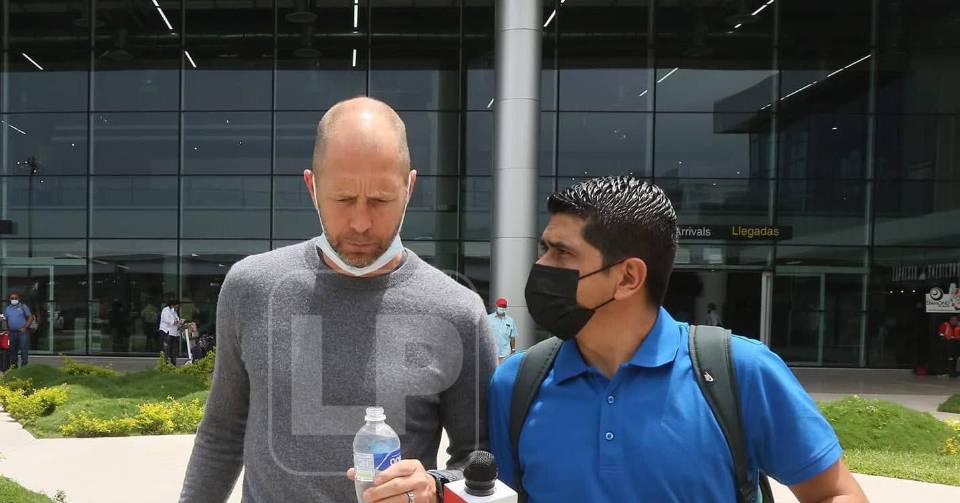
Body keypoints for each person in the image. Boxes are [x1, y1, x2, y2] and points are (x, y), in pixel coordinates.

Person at [179, 97, 496, 503]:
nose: (361, 223)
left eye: (381, 200)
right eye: (343, 199)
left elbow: (481, 460)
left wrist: (433, 487)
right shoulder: (251, 287)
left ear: (409, 187)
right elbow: (222, 434)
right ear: (312, 187)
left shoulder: (458, 311)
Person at [488, 176, 867, 502]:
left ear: (628, 278)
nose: (541, 266)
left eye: (562, 252)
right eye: (545, 249)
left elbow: (836, 492)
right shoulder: (517, 384)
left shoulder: (741, 372)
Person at [3, 292, 35, 368]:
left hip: (22, 332)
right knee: (12, 351)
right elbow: (5, 319)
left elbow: (30, 317)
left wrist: (25, 327)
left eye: (15, 298)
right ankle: (14, 368)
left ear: (19, 299)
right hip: (11, 333)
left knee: (24, 350)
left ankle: (24, 368)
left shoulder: (23, 306)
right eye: (12, 298)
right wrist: (6, 329)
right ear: (10, 299)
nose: (14, 299)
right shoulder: (7, 308)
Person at [488, 297, 519, 364]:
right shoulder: (488, 318)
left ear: (506, 307)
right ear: (496, 306)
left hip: (505, 353)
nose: (502, 308)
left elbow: (512, 336)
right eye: (500, 306)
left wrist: (513, 350)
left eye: (503, 306)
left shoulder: (510, 320)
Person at [159, 299, 182, 366]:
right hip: (167, 332)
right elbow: (167, 320)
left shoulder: (174, 312)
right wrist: (176, 322)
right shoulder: (166, 310)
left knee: (174, 350)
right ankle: (165, 365)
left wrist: (180, 322)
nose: (178, 308)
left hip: (174, 333)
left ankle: (173, 365)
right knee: (166, 350)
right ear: (172, 305)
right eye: (177, 306)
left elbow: (177, 320)